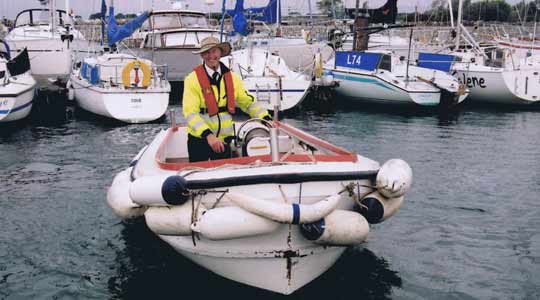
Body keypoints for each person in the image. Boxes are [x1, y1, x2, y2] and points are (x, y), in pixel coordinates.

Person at [183, 36, 272, 162]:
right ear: (202, 56)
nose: (211, 56)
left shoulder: (233, 78)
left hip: (224, 142)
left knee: (222, 174)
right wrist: (208, 135)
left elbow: (248, 103)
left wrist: (266, 119)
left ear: (220, 52)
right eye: (206, 52)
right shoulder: (191, 79)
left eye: (214, 51)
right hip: (199, 141)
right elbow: (190, 113)